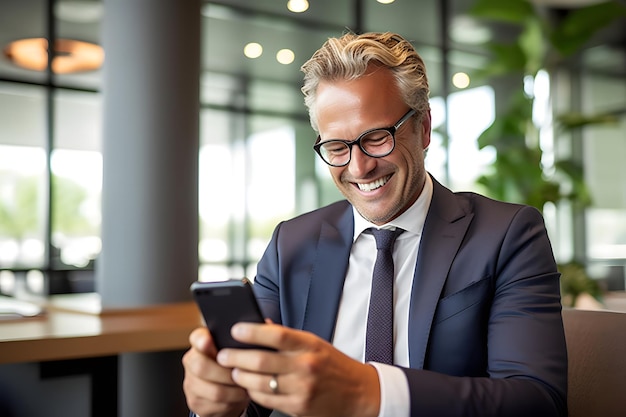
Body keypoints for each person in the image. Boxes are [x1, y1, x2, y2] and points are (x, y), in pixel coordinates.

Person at [183, 31, 568, 417]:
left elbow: (536, 401)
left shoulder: (508, 234)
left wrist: (369, 392)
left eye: (377, 138)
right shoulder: (290, 243)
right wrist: (220, 404)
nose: (359, 167)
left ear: (424, 127)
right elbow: (259, 400)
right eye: (337, 147)